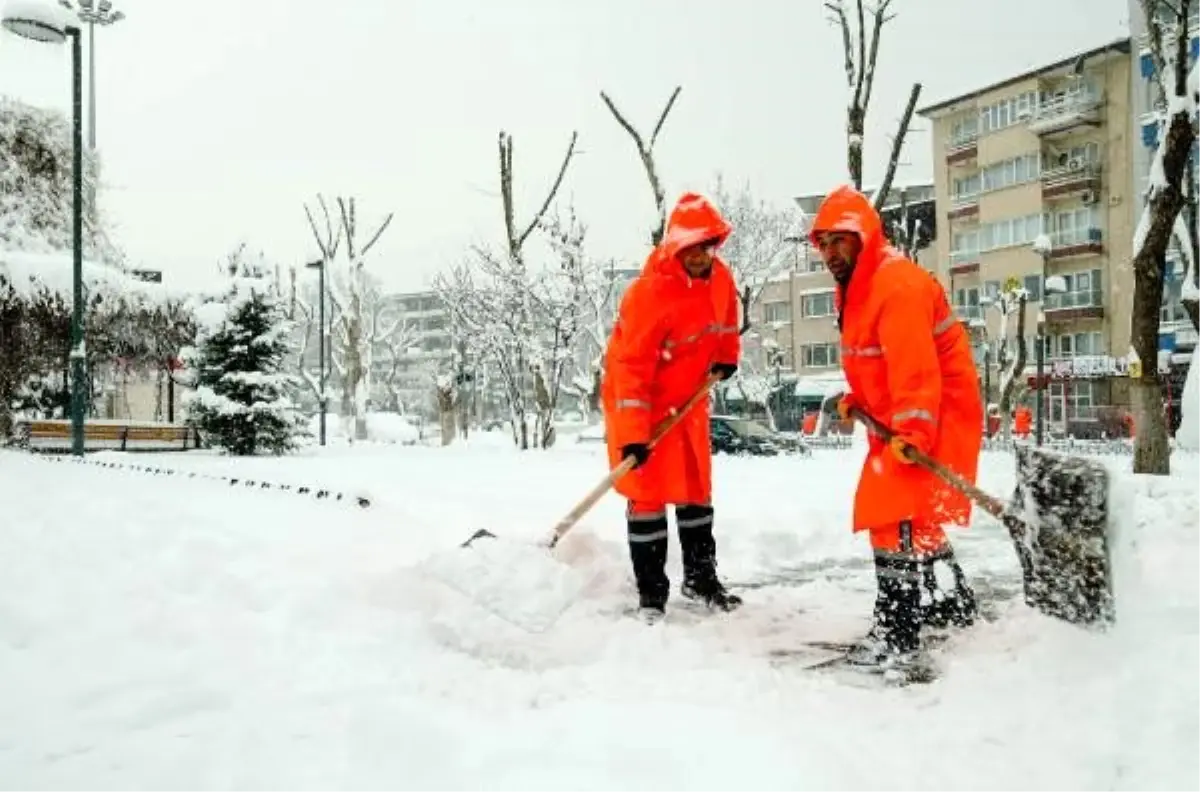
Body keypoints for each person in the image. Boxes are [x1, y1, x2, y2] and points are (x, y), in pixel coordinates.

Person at [809, 184, 983, 665]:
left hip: (930, 413)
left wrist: (913, 430)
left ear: (863, 236)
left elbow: (915, 370)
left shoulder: (894, 286)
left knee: (890, 511)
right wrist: (856, 400)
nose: (829, 252)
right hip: (905, 415)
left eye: (839, 240)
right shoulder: (858, 290)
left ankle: (898, 627)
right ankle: (950, 601)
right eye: (822, 243)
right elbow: (875, 360)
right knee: (917, 514)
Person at [601, 192, 743, 622]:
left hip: (690, 403)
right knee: (647, 497)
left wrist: (727, 356)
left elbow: (726, 323)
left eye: (709, 245)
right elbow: (630, 371)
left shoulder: (721, 281)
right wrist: (632, 437)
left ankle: (701, 578)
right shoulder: (648, 295)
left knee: (697, 491)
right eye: (693, 246)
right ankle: (651, 596)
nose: (702, 255)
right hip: (641, 404)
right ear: (676, 246)